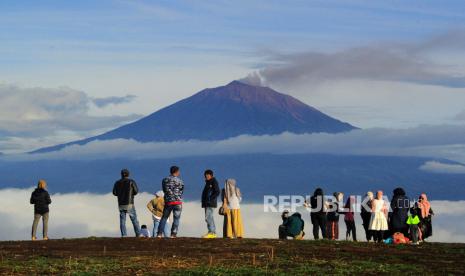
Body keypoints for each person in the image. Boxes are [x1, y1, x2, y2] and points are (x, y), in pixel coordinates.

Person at [157, 166, 184, 238]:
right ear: (177, 172)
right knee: (176, 218)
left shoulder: (165, 180)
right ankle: (173, 234)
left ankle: (159, 233)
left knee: (164, 218)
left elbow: (164, 190)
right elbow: (182, 190)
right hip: (178, 202)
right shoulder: (180, 181)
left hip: (169, 201)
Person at [113, 169, 141, 237]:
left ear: (121, 174)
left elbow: (114, 192)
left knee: (122, 220)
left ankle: (124, 235)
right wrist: (131, 194)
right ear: (128, 174)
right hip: (129, 203)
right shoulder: (131, 181)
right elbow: (136, 191)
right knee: (134, 219)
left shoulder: (117, 182)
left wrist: (120, 195)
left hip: (121, 204)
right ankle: (138, 234)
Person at [201, 169, 220, 238]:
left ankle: (211, 232)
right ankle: (212, 232)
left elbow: (217, 191)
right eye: (205, 176)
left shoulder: (213, 181)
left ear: (211, 175)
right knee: (209, 217)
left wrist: (210, 199)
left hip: (210, 203)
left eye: (208, 175)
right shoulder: (208, 182)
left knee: (208, 217)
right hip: (207, 203)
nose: (206, 177)